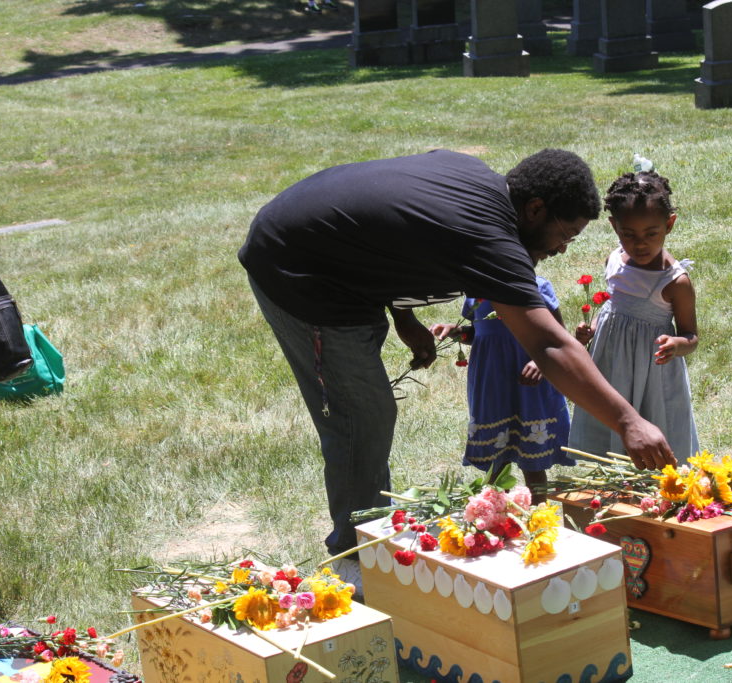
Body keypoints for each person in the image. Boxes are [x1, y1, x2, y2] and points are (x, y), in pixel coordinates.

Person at [238, 149, 675, 590]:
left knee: (367, 407)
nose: (562, 248)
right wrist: (628, 421)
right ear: (535, 209)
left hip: (324, 248)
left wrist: (403, 314)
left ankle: (363, 542)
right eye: (566, 234)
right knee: (362, 414)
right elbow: (548, 343)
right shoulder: (490, 236)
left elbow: (390, 230)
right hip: (296, 266)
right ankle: (354, 559)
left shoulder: (482, 189)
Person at [569, 170, 700, 463]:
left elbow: (692, 336)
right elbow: (612, 308)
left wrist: (677, 344)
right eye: (629, 234)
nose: (640, 244)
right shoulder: (614, 260)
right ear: (614, 226)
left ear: (669, 224)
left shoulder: (674, 282)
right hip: (610, 364)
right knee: (609, 429)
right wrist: (591, 329)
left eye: (651, 234)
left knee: (655, 434)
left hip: (651, 374)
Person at [430, 275, 574, 504]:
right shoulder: (477, 293)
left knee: (533, 462)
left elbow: (558, 336)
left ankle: (539, 515)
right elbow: (480, 333)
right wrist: (457, 332)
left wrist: (540, 362)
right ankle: (494, 515)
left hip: (529, 385)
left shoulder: (535, 286)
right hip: (493, 383)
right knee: (496, 462)